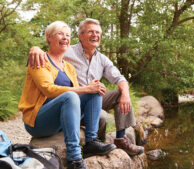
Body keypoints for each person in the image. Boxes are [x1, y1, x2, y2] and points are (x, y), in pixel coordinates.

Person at [28, 18, 144, 156]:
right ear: (80, 35)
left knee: (119, 93)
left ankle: (120, 139)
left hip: (92, 98)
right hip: (69, 99)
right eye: (90, 32)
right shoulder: (67, 50)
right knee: (101, 117)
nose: (95, 35)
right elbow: (50, 53)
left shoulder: (102, 59)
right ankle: (92, 142)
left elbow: (119, 78)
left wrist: (125, 94)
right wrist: (35, 49)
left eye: (97, 32)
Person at [19, 21, 116, 169]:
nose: (65, 38)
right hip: (38, 120)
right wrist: (85, 89)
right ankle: (74, 159)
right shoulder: (39, 60)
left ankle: (91, 142)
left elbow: (78, 96)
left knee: (94, 91)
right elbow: (48, 90)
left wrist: (92, 88)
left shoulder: (69, 67)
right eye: (60, 34)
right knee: (72, 95)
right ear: (49, 37)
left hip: (59, 119)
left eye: (68, 35)